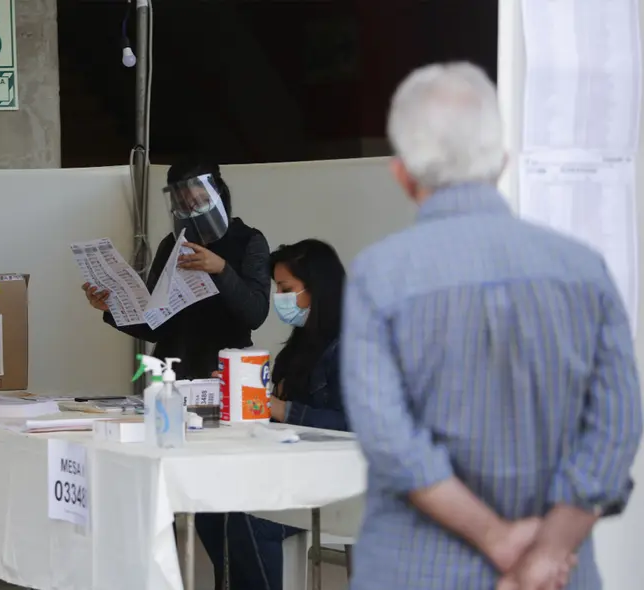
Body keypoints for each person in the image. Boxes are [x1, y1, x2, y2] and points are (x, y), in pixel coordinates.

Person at [340, 62, 642, 590]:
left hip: (415, 572)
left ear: (402, 173)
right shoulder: (583, 269)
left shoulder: (378, 276)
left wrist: (497, 538)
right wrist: (548, 551)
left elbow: (389, 439)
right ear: (502, 161)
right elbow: (616, 428)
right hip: (560, 577)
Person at [196, 239, 350, 590]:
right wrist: (238, 391)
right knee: (207, 505)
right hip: (288, 470)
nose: (279, 298)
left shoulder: (353, 348)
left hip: (335, 479)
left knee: (248, 519)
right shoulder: (298, 348)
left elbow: (352, 426)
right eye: (276, 289)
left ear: (318, 289)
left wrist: (280, 408)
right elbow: (271, 411)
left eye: (286, 289)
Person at [82, 160, 271, 378]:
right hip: (172, 372)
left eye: (201, 202)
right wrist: (114, 309)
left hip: (223, 371)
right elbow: (154, 326)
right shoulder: (171, 245)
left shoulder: (248, 240)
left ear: (219, 195)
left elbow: (256, 314)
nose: (192, 212)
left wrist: (222, 269)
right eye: (183, 206)